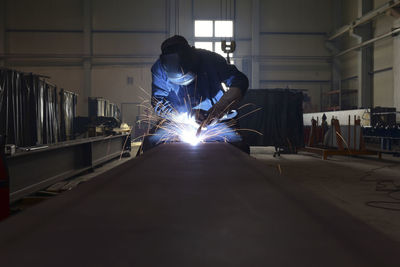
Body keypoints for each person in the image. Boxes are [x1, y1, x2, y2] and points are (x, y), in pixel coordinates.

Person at [142, 35, 249, 153]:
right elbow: (158, 102)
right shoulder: (159, 69)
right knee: (150, 142)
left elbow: (240, 80)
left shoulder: (211, 59)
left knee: (239, 144)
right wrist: (187, 116)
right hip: (179, 121)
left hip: (215, 121)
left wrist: (221, 107)